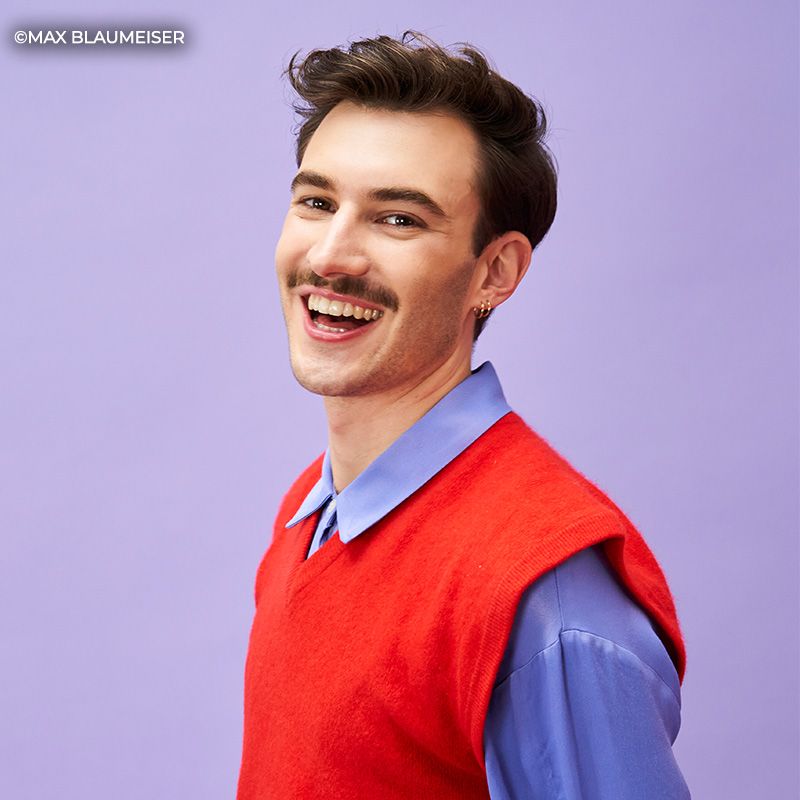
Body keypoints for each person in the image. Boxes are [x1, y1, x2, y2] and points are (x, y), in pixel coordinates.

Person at [237, 31, 690, 799]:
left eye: (398, 220)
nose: (331, 256)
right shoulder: (309, 514)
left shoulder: (541, 595)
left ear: (495, 271)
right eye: (317, 202)